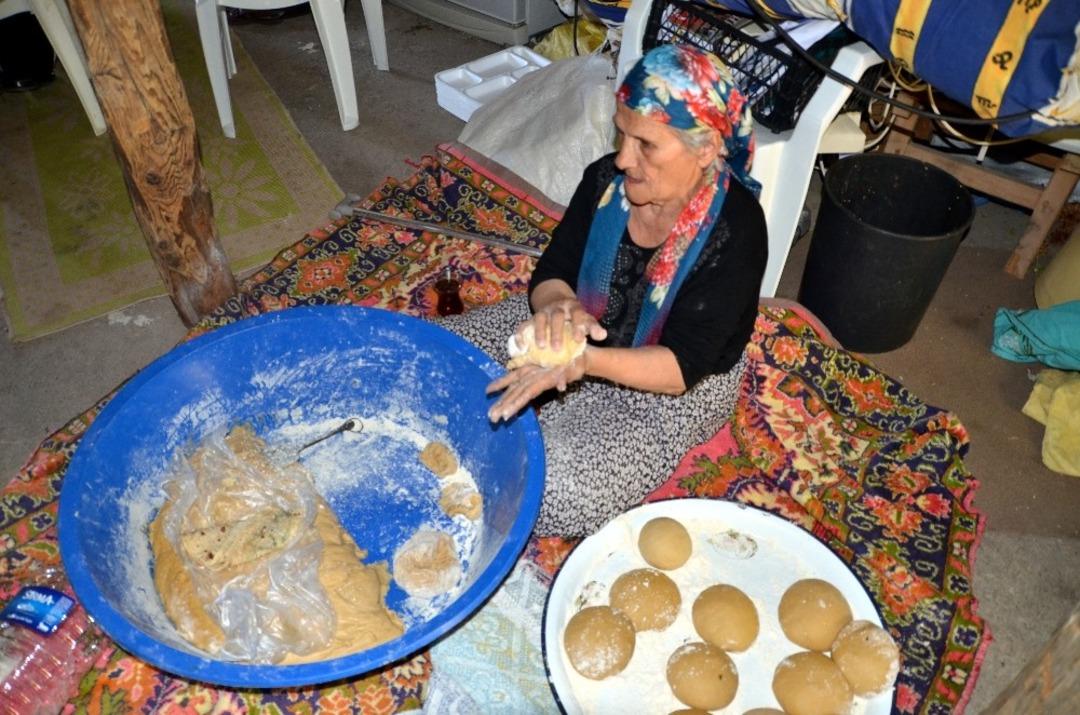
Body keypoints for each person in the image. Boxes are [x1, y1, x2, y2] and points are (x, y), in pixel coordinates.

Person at [436, 44, 767, 537]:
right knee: (441, 359)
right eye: (622, 133)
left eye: (647, 145)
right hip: (586, 326)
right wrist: (559, 307)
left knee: (549, 487)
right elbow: (554, 269)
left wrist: (583, 363)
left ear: (705, 150)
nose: (623, 157)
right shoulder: (604, 182)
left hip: (673, 382)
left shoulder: (735, 230)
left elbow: (681, 366)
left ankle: (543, 439)